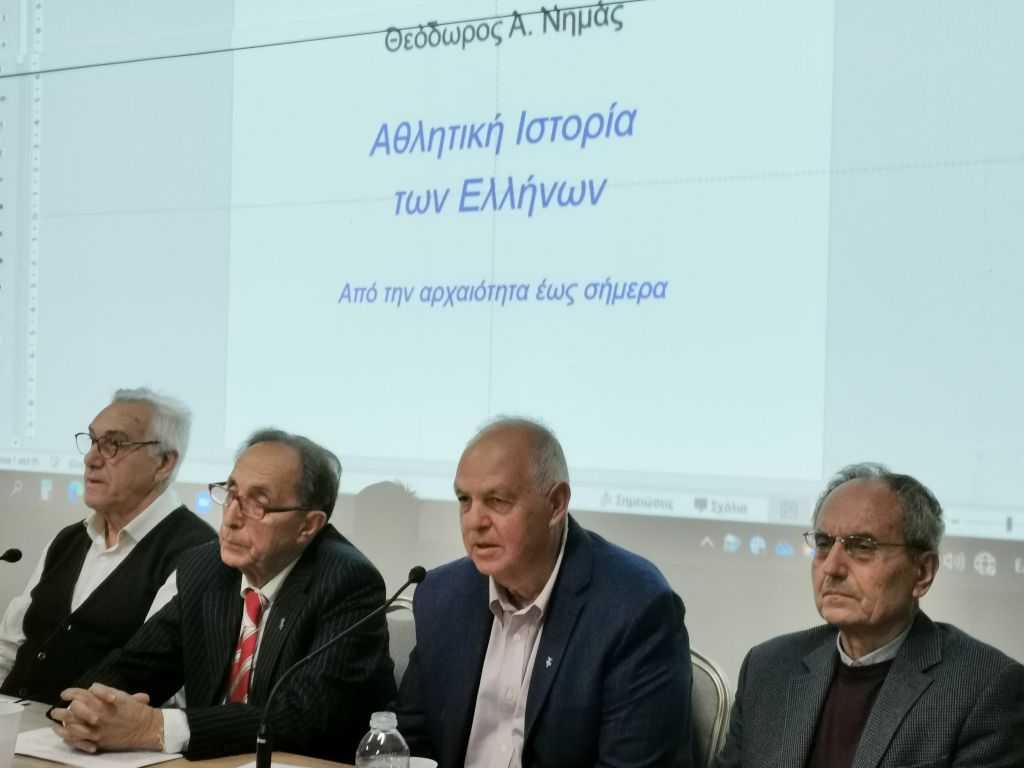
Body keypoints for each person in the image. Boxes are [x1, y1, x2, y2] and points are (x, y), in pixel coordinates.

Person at [52, 429, 396, 763]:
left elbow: (302, 716)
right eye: (231, 494)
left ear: (308, 525)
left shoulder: (347, 582)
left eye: (258, 504)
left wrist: (154, 727)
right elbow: (137, 666)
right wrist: (89, 708)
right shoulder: (206, 567)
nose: (230, 518)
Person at [397, 417, 691, 767]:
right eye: (465, 500)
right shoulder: (441, 596)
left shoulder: (634, 609)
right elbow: (408, 747)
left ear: (556, 504)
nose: (474, 521)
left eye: (497, 500)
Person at [714, 463, 1024, 768]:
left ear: (922, 572)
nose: (832, 567)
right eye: (823, 544)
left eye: (862, 546)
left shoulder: (985, 689)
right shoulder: (768, 668)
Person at [0, 388, 214, 703]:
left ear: (164, 462)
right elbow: (9, 647)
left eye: (114, 444)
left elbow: (157, 682)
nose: (91, 459)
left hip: (86, 731)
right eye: (92, 441)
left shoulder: (197, 553)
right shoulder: (68, 540)